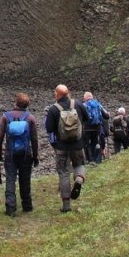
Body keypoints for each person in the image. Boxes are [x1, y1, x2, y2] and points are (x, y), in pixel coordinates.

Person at [44, 84, 89, 213]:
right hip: (78, 145)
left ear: (57, 94)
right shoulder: (78, 104)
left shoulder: (54, 109)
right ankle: (79, 179)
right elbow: (87, 118)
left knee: (63, 173)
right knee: (79, 164)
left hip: (61, 147)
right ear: (68, 93)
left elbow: (49, 129)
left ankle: (66, 206)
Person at [0, 92, 39, 216]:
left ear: (15, 102)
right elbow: (34, 139)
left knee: (10, 179)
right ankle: (27, 206)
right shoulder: (30, 118)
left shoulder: (6, 117)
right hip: (26, 154)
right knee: (25, 180)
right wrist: (35, 157)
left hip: (10, 154)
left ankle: (10, 208)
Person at [81, 91, 109, 164]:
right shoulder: (98, 104)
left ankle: (89, 160)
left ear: (84, 98)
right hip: (97, 128)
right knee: (95, 143)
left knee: (87, 144)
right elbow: (106, 116)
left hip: (86, 128)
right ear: (92, 97)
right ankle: (96, 160)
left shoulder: (83, 105)